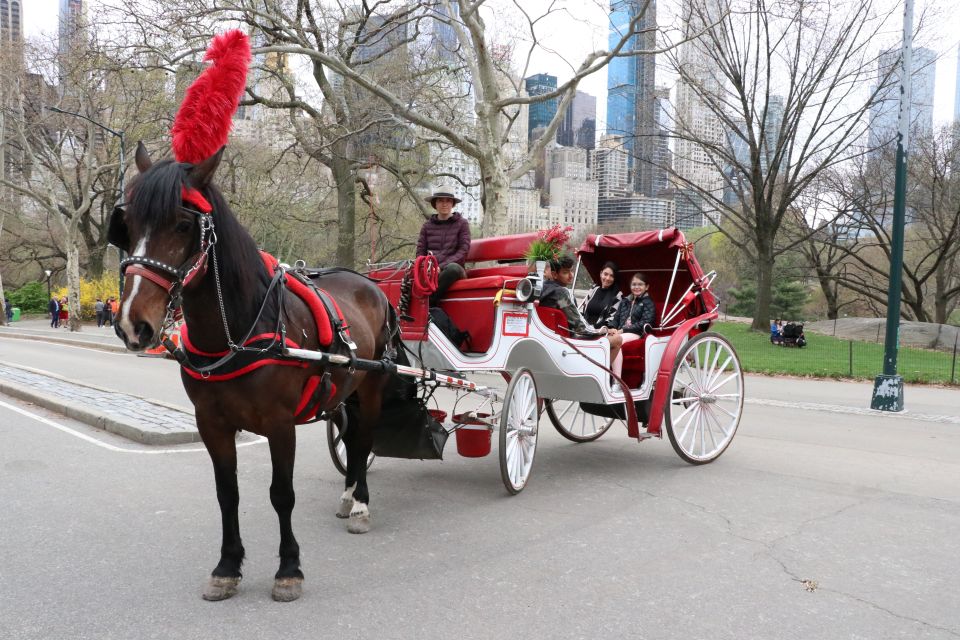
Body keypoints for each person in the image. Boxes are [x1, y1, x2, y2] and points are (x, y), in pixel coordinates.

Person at [540, 254, 624, 386]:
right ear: (555, 274)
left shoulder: (542, 289)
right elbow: (580, 326)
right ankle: (598, 373)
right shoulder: (561, 293)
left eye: (571, 271)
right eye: (566, 272)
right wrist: (602, 331)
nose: (571, 275)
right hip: (572, 339)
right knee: (617, 339)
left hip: (551, 336)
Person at [416, 184, 471, 306]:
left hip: (454, 271)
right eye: (441, 200)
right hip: (431, 271)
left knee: (453, 268)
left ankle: (427, 304)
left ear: (453, 204)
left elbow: (463, 250)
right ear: (435, 203)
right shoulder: (427, 226)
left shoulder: (462, 224)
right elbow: (420, 252)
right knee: (410, 272)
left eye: (448, 201)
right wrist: (427, 267)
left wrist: (440, 266)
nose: (444, 204)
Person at [610, 273, 656, 380]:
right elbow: (616, 318)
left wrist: (622, 330)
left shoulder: (648, 303)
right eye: (634, 284)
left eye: (640, 284)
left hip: (637, 333)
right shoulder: (625, 301)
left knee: (617, 342)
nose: (636, 287)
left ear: (646, 287)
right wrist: (612, 327)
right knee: (604, 340)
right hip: (621, 331)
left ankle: (617, 381)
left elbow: (645, 322)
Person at [579, 261, 622, 329]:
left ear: (614, 278)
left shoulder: (617, 295)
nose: (607, 278)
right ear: (601, 273)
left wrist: (593, 328)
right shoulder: (593, 290)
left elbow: (611, 319)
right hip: (584, 328)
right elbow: (583, 311)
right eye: (605, 274)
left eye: (611, 276)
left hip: (601, 331)